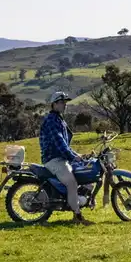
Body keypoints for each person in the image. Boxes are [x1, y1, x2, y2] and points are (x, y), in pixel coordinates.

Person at [39, 91, 89, 224]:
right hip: (53, 159)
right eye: (61, 102)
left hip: (60, 158)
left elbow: (65, 145)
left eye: (65, 102)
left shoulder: (59, 119)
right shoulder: (51, 120)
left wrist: (76, 155)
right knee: (71, 183)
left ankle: (77, 204)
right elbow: (59, 142)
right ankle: (78, 217)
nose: (64, 105)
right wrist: (72, 157)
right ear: (54, 104)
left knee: (83, 173)